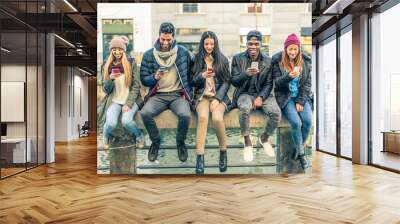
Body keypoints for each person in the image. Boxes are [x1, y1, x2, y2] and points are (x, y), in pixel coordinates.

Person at [139, 22, 193, 162]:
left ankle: (180, 143)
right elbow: (144, 79)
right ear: (159, 36)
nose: (165, 42)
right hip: (158, 95)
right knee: (145, 113)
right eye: (163, 39)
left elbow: (193, 70)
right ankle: (155, 142)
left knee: (186, 115)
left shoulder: (183, 52)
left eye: (168, 40)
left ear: (173, 38)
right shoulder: (149, 55)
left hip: (177, 95)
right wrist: (154, 77)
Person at [231, 30, 282, 162]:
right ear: (246, 44)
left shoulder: (268, 61)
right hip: (245, 93)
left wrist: (261, 97)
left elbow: (269, 83)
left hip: (262, 94)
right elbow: (234, 81)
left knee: (276, 113)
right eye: (250, 43)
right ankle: (247, 141)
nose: (253, 47)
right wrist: (246, 74)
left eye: (256, 44)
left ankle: (264, 138)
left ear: (261, 44)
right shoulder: (237, 58)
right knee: (244, 108)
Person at [191, 31, 231, 174]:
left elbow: (227, 81)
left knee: (217, 118)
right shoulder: (196, 59)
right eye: (206, 43)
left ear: (215, 44)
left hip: (218, 97)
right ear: (202, 44)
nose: (209, 46)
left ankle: (223, 152)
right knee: (202, 118)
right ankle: (200, 158)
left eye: (212, 44)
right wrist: (201, 76)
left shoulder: (222, 59)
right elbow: (192, 82)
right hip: (202, 96)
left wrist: (218, 99)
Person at [271, 33, 312, 170]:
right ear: (285, 49)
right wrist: (288, 77)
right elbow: (276, 83)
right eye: (290, 49)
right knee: (296, 122)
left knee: (307, 122)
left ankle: (297, 147)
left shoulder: (305, 62)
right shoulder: (277, 62)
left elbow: (307, 84)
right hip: (286, 97)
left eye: (295, 49)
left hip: (301, 97)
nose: (293, 52)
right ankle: (301, 154)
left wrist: (300, 101)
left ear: (299, 49)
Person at [99, 36, 144, 150]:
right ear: (111, 50)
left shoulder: (131, 63)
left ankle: (139, 136)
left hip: (131, 100)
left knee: (126, 121)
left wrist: (128, 104)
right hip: (114, 101)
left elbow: (136, 85)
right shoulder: (106, 65)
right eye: (114, 49)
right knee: (110, 124)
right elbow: (106, 89)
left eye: (120, 49)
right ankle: (105, 136)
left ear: (124, 50)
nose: (117, 51)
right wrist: (110, 79)